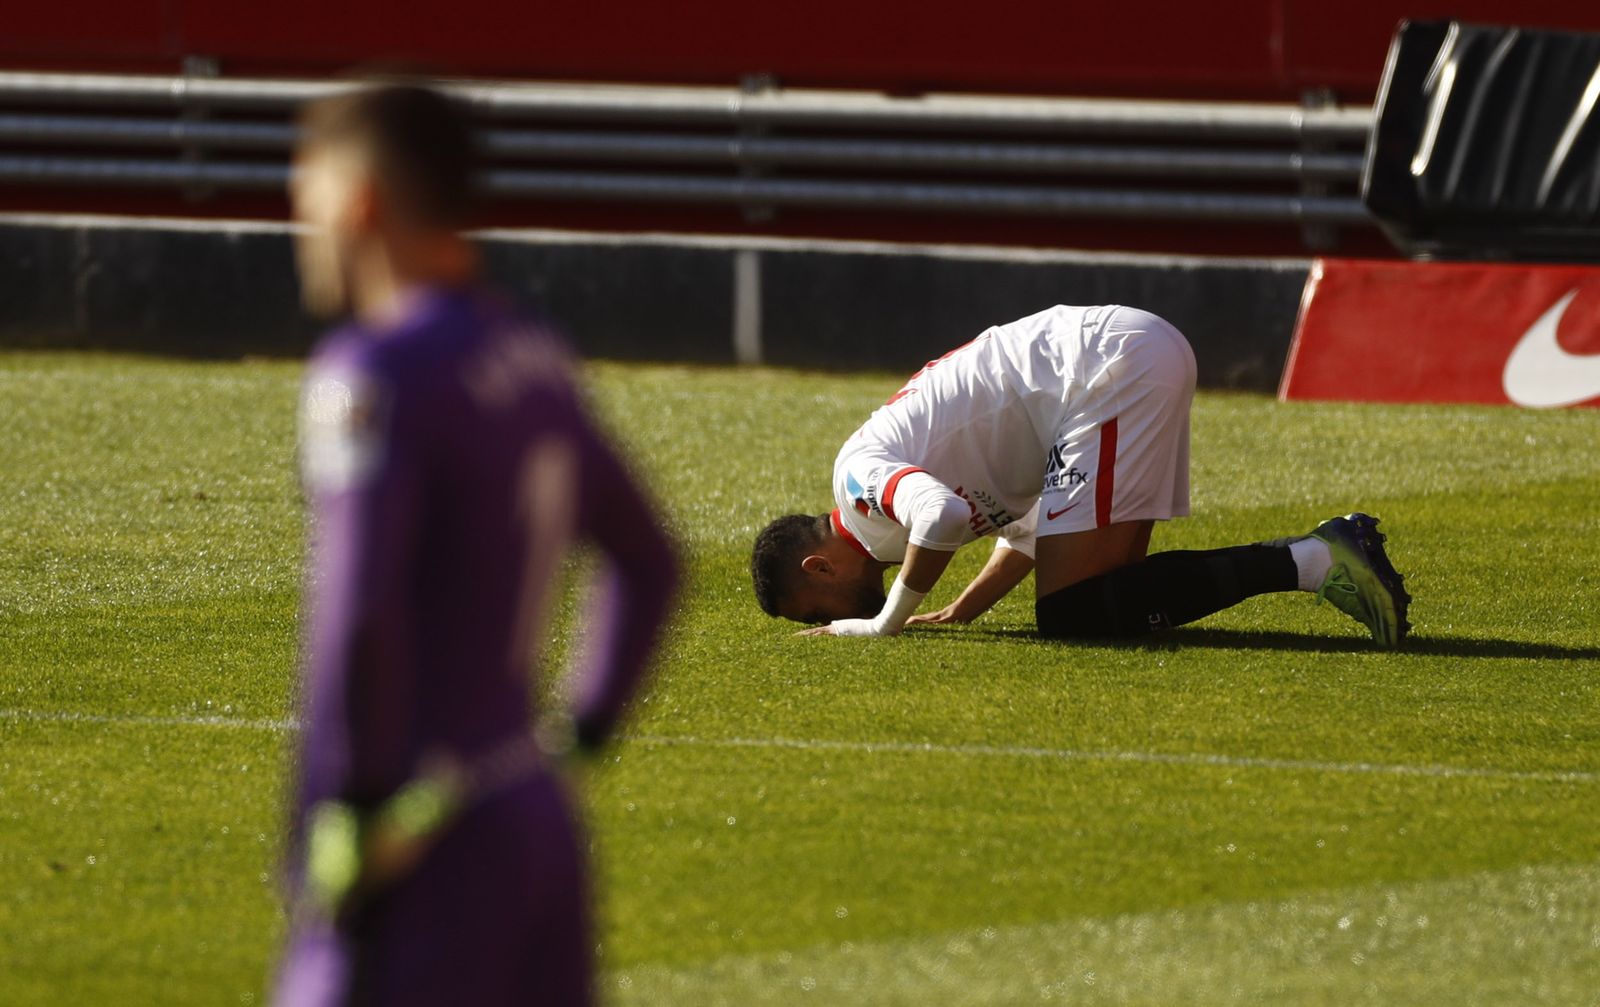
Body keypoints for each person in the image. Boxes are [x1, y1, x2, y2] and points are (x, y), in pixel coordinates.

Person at [274, 83, 678, 1006]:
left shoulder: (373, 371)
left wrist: (351, 805)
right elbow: (649, 560)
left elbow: (359, 611)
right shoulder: (533, 355)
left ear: (360, 199)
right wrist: (580, 731)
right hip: (531, 819)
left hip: (416, 838)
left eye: (307, 193)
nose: (300, 223)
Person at [751, 304, 1409, 644]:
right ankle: (1316, 560)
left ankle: (1317, 558)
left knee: (1073, 614)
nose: (832, 619)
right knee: (1097, 605)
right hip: (1115, 362)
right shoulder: (883, 519)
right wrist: (964, 609)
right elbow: (1031, 524)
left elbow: (944, 515)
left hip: (1101, 369)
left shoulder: (858, 483)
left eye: (819, 612)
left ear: (820, 568)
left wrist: (885, 621)